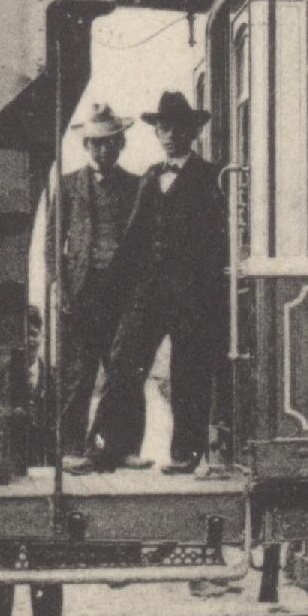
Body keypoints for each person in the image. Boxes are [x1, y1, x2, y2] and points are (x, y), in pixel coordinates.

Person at [79, 92, 231, 475]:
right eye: (163, 128)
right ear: (156, 132)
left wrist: (209, 292)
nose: (170, 135)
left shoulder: (212, 177)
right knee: (123, 364)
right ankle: (102, 450)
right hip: (148, 293)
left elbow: (219, 243)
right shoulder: (150, 176)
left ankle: (186, 455)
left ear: (193, 132)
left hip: (193, 297)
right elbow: (133, 240)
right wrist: (110, 290)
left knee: (188, 376)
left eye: (178, 128)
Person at [53, 104, 139, 464]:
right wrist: (60, 287)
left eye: (110, 143)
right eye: (96, 144)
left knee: (123, 370)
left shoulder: (136, 186)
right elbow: (52, 242)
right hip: (82, 291)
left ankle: (121, 448)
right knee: (79, 372)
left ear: (121, 145)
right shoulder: (69, 185)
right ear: (86, 146)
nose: (103, 150)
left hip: (122, 291)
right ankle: (72, 448)